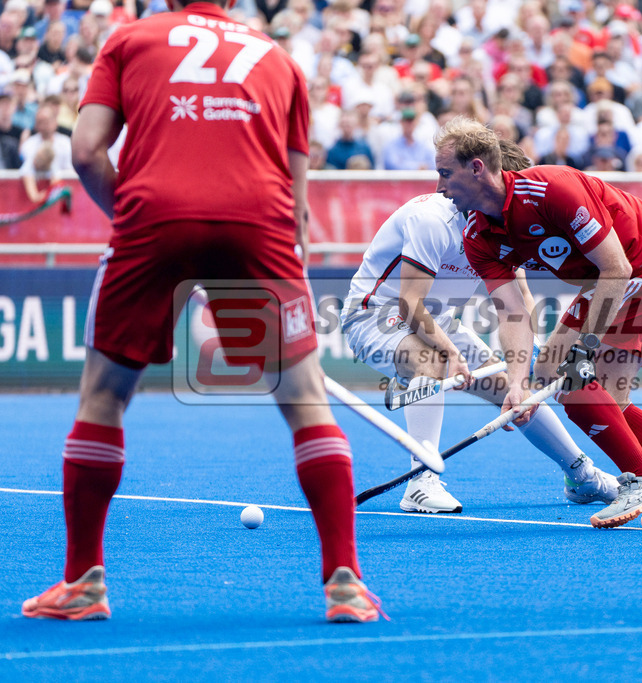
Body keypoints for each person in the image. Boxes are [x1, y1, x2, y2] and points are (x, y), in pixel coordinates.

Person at [21, 0, 384, 623]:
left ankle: (82, 583)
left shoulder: (131, 38)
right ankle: (345, 583)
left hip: (152, 214)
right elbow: (297, 207)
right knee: (305, 404)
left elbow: (84, 152)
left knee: (102, 399)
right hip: (260, 224)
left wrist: (137, 216)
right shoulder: (282, 61)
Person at [433, 116, 642, 530]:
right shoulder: (477, 236)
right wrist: (518, 383)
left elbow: (617, 268)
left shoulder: (552, 188)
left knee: (572, 376)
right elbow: (513, 313)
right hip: (609, 278)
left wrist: (585, 347)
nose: (438, 187)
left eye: (444, 173)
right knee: (579, 386)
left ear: (476, 168)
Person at [340, 138, 618, 514]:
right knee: (428, 359)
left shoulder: (505, 225)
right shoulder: (432, 220)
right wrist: (452, 353)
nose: (439, 185)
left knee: (511, 392)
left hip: (437, 319)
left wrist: (525, 359)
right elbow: (409, 305)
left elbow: (518, 304)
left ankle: (581, 474)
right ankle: (421, 481)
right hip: (374, 315)